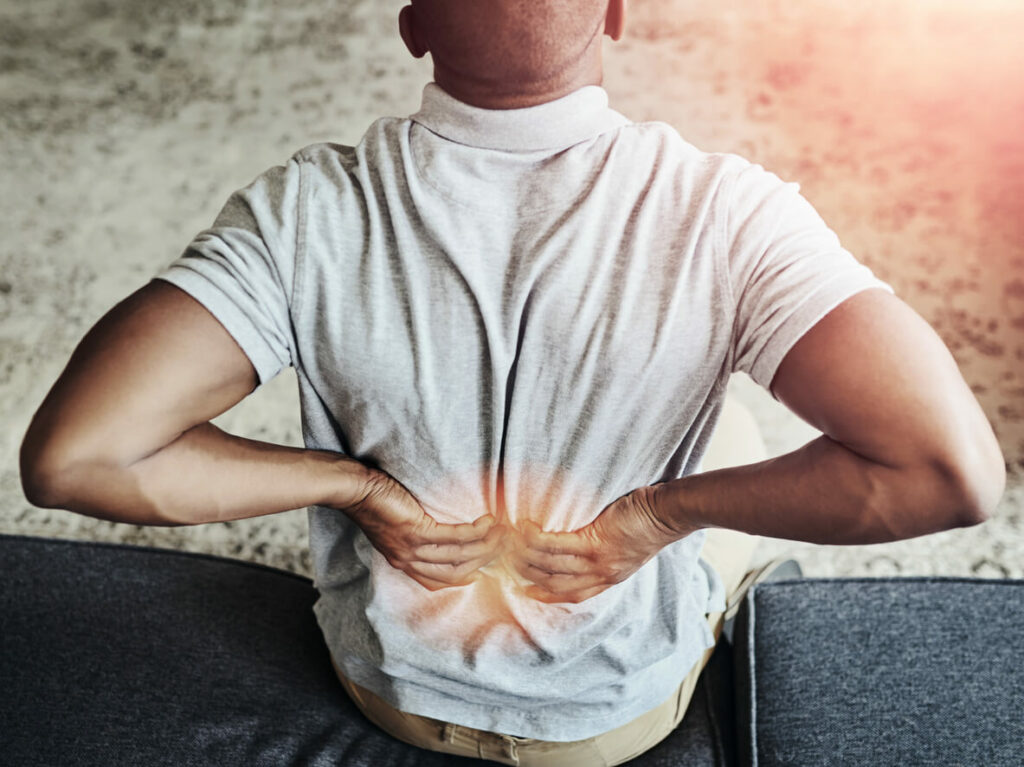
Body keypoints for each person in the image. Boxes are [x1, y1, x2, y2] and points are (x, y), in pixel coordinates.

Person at [20, 0, 1005, 764]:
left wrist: (353, 484)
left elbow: (79, 455)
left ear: (413, 25)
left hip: (389, 691)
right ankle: (724, 590)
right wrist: (655, 514)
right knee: (733, 434)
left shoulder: (305, 212)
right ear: (616, 11)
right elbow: (946, 472)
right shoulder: (728, 215)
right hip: (608, 721)